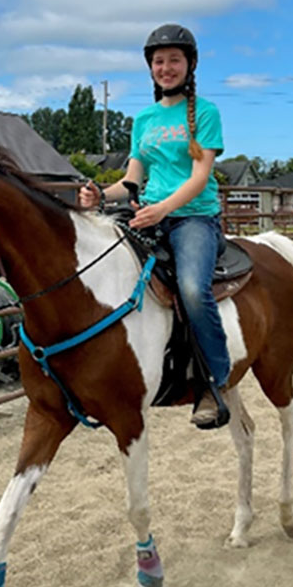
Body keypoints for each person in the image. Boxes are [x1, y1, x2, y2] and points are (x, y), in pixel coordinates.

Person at [79, 23, 229, 427]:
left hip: (193, 217)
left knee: (194, 290)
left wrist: (162, 209)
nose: (166, 68)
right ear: (150, 68)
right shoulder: (143, 118)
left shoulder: (207, 113)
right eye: (159, 61)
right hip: (148, 213)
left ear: (190, 65)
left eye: (174, 60)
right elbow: (132, 179)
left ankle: (213, 382)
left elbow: (199, 178)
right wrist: (99, 195)